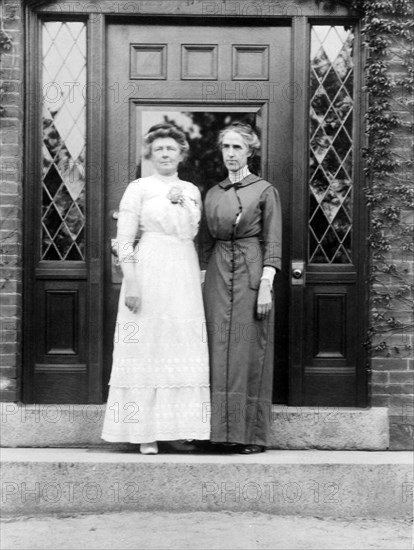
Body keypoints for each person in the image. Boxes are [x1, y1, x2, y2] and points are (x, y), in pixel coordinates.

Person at [102, 123, 210, 454]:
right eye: (159, 149)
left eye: (171, 149)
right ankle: (143, 431)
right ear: (151, 154)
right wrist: (131, 281)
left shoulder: (191, 189)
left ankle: (176, 429)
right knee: (146, 346)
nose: (165, 154)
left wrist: (183, 204)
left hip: (182, 269)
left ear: (181, 155)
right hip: (149, 269)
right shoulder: (140, 187)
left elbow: (193, 231)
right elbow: (124, 240)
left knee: (179, 345)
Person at [201, 122, 282, 454]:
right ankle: (214, 433)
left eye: (237, 147)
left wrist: (266, 286)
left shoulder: (265, 190)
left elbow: (273, 241)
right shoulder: (213, 193)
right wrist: (202, 278)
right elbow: (204, 244)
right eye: (226, 148)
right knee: (216, 348)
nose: (231, 154)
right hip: (218, 271)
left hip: (251, 267)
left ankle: (249, 435)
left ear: (250, 151)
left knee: (247, 352)